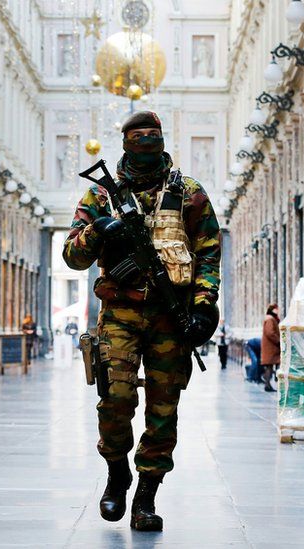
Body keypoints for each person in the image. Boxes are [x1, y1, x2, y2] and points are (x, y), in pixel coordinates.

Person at [63, 110, 221, 531]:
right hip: (120, 312)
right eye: (139, 136)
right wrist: (99, 230)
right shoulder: (101, 195)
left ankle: (146, 496)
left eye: (154, 135)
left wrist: (205, 305)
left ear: (163, 138)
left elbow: (207, 251)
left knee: (163, 408)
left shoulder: (188, 192)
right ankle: (117, 472)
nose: (147, 141)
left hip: (172, 316)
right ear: (126, 143)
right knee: (114, 399)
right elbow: (73, 256)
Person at [260, 303, 281, 393]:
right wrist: (278, 340)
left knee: (270, 366)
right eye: (276, 309)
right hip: (271, 347)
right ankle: (268, 384)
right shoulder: (270, 319)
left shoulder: (271, 318)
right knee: (269, 366)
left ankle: (268, 384)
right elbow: (270, 332)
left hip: (271, 347)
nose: (278, 311)